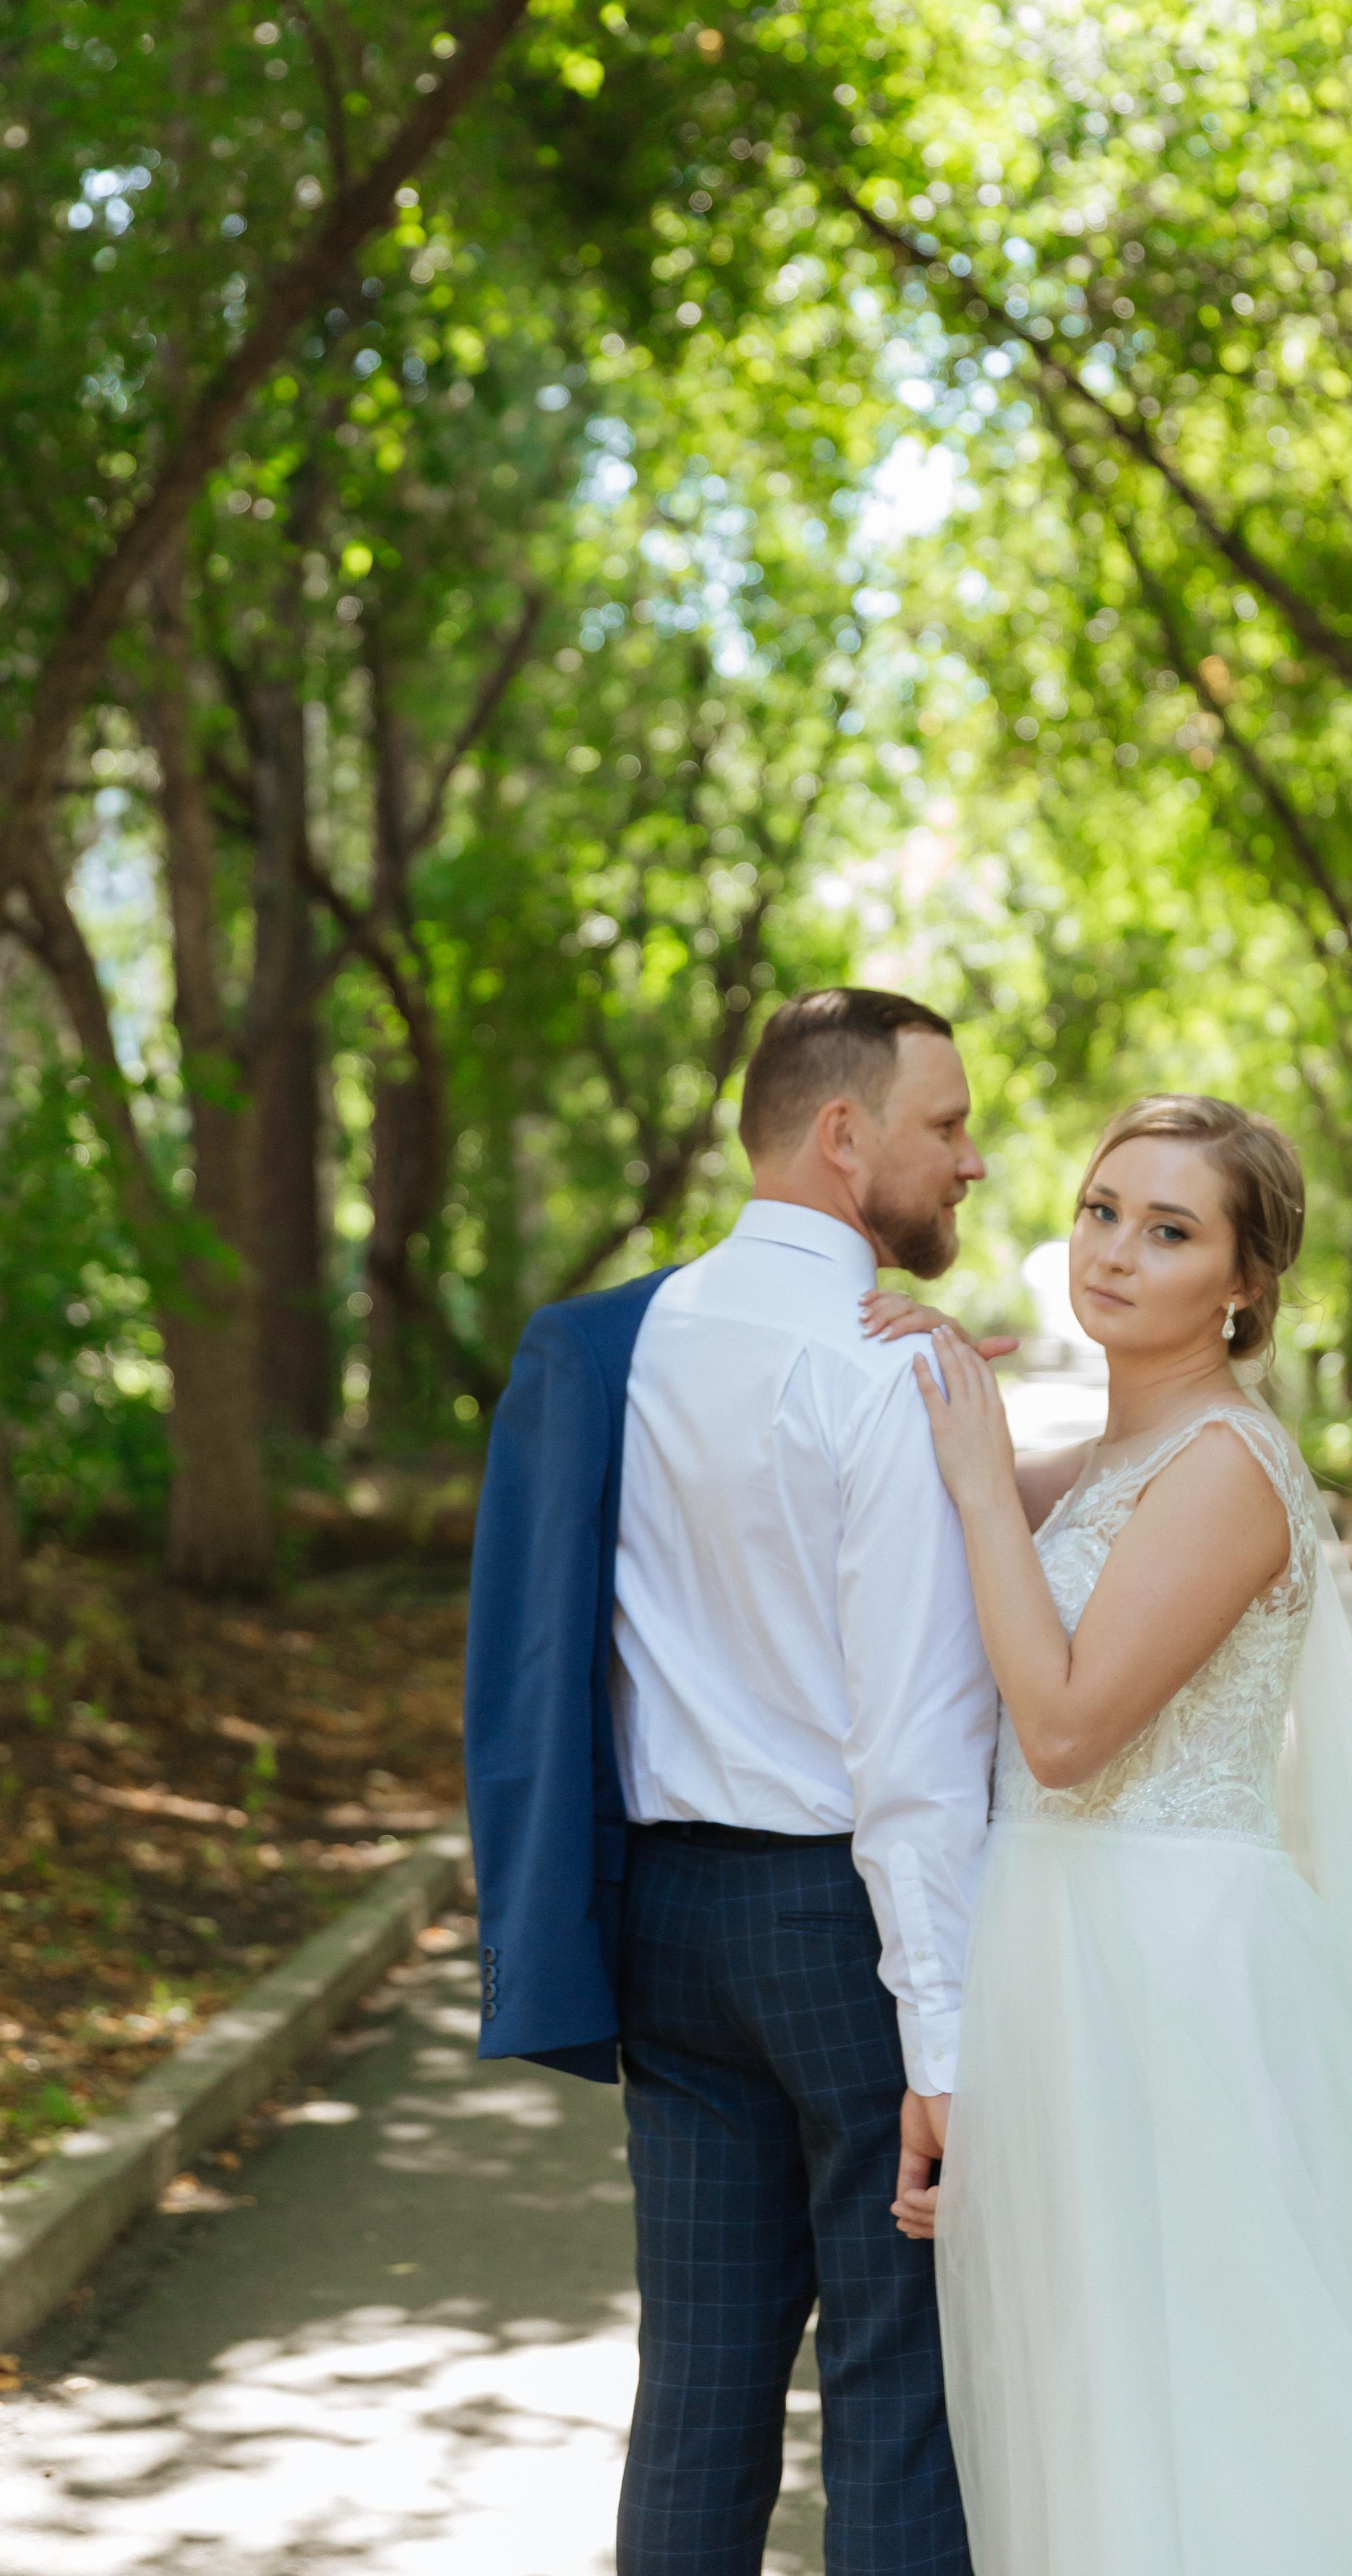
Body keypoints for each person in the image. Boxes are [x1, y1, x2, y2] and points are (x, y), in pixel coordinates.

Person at [868, 1093, 1352, 2576]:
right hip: (1050, 1964)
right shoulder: (1095, 1468)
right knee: (1095, 2400)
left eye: (1170, 1229)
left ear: (1244, 1284)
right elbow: (904, 1558)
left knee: (1214, 2396)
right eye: (1098, 1209)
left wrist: (968, 1482)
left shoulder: (1228, 1471)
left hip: (1170, 1974)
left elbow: (1065, 1732)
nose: (1115, 1250)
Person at [463, 986, 1003, 2576]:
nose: (970, 1163)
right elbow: (912, 1751)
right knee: (897, 2397)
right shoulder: (878, 1372)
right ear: (843, 1138)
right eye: (948, 1125)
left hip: (669, 1926)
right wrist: (945, 2037)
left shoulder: (622, 1342)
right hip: (842, 1935)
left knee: (697, 2402)